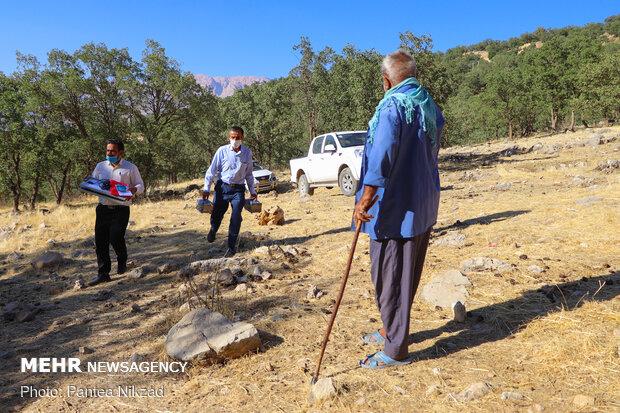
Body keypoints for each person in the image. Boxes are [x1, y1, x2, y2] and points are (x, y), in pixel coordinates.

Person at [353, 50, 445, 369]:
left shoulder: (393, 105)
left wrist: (366, 198)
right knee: (404, 274)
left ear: (386, 80)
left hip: (395, 209)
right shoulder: (427, 104)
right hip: (422, 203)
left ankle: (396, 349)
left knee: (387, 274)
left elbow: (382, 155)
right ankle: (393, 330)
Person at [89, 139, 144, 286]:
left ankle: (122, 259)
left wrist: (134, 189)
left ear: (121, 152)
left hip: (121, 209)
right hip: (102, 209)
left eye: (112, 151)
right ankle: (103, 274)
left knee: (116, 237)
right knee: (101, 242)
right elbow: (92, 181)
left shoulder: (130, 167)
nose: (109, 153)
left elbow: (140, 185)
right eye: (107, 150)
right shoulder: (100, 166)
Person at [203, 126, 257, 256]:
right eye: (233, 137)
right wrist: (206, 188)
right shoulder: (221, 151)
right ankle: (213, 230)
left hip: (238, 190)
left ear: (242, 138)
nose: (235, 140)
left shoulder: (247, 153)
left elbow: (249, 174)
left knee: (236, 216)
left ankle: (231, 247)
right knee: (217, 214)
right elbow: (211, 171)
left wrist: (252, 190)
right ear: (229, 138)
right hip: (222, 188)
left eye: (238, 138)